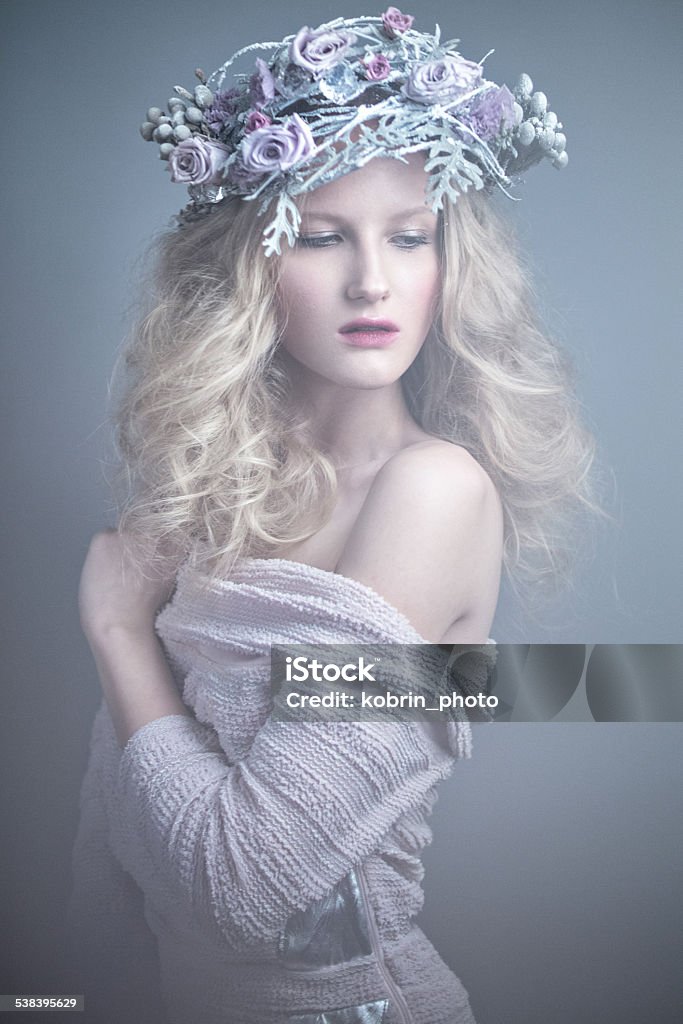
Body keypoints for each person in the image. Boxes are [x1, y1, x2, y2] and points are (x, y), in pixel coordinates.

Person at [67, 10, 595, 1024]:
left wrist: (117, 630)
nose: (371, 281)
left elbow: (243, 887)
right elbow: (122, 843)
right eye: (318, 236)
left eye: (408, 237)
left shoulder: (432, 494)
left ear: (450, 264)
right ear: (249, 269)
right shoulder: (215, 496)